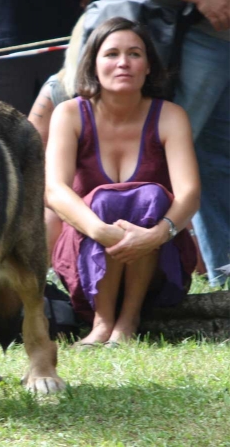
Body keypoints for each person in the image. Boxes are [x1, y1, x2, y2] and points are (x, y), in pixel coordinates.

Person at [98, 0, 230, 286]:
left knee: (215, 157)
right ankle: (115, 284)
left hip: (214, 34)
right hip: (163, 29)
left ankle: (222, 275)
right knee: (155, 159)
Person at [46, 17, 200, 346]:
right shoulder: (69, 113)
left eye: (134, 54)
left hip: (160, 251)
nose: (123, 63)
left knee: (149, 196)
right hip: (86, 249)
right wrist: (100, 230)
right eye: (111, 54)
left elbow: (189, 194)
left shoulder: (171, 115)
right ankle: (101, 323)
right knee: (103, 201)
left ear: (148, 67)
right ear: (93, 65)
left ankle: (128, 320)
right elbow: (54, 191)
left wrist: (157, 234)